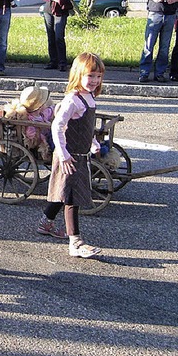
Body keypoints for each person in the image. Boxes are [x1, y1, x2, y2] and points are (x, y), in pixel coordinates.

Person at [37, 52, 104, 258]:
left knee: (63, 191)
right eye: (90, 76)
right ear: (78, 75)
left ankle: (46, 223)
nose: (94, 81)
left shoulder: (89, 98)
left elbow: (85, 126)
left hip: (80, 154)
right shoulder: (73, 100)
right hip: (70, 155)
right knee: (71, 197)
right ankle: (75, 241)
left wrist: (92, 142)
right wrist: (64, 153)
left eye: (98, 76)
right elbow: (57, 125)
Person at [41, 0, 74, 72]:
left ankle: (62, 62)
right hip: (48, 10)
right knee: (51, 36)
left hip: (61, 11)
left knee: (59, 36)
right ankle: (53, 61)